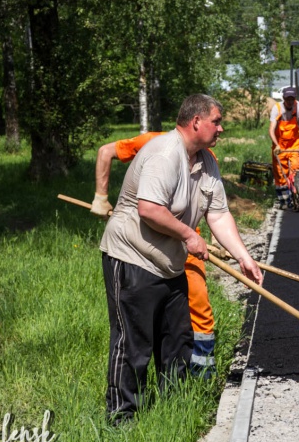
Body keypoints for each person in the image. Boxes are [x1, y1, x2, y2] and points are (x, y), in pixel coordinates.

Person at [99, 94, 263, 423]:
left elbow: (218, 214)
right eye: (216, 121)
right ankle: (122, 419)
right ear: (196, 122)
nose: (221, 127)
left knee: (176, 339)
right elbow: (149, 210)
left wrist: (243, 258)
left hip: (169, 263)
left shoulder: (206, 161)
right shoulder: (164, 153)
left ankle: (174, 410)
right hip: (133, 257)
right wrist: (189, 235)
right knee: (134, 342)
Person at [91, 132, 218, 379]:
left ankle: (201, 371)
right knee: (140, 325)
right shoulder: (152, 143)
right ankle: (132, 394)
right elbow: (106, 151)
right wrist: (101, 197)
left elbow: (212, 205)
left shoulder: (207, 156)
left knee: (198, 304)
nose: (219, 130)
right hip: (144, 244)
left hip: (186, 243)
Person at [269, 86, 299, 207]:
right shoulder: (277, 108)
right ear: (284, 98)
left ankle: (297, 195)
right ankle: (283, 200)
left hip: (294, 143)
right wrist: (276, 145)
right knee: (281, 172)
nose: (290, 101)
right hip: (280, 144)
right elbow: (271, 130)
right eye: (288, 99)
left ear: (295, 98)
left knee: (296, 168)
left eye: (292, 99)